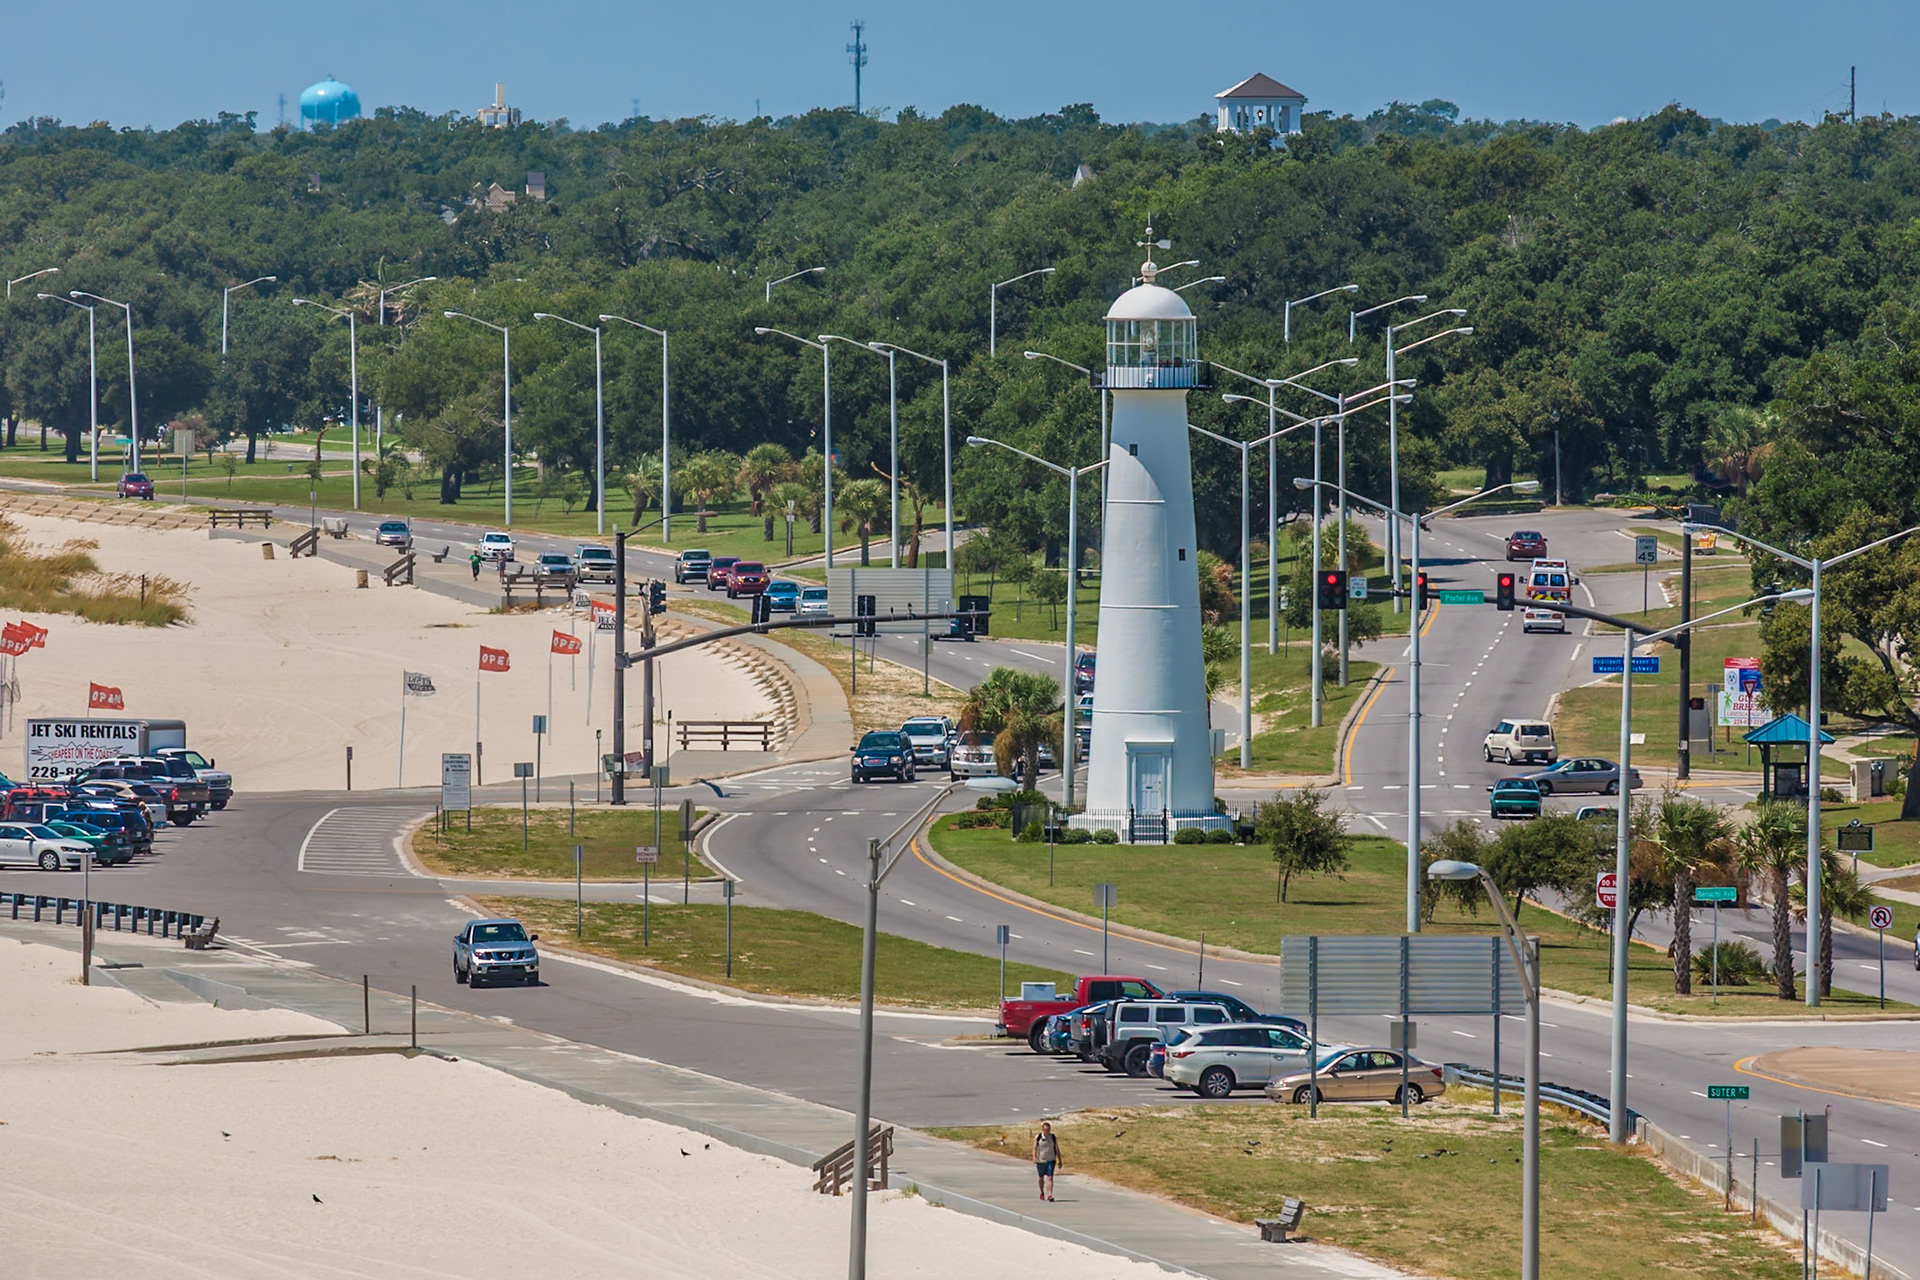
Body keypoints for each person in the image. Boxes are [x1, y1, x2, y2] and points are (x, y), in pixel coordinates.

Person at [1031, 1121, 1060, 1202]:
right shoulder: (1038, 1137)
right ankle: (1042, 1192)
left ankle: (1050, 1195)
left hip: (1051, 1159)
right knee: (1041, 1177)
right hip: (1041, 1160)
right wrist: (1034, 1157)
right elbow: (1034, 1148)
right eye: (1045, 1129)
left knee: (1050, 1177)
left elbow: (1057, 1149)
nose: (1047, 1131)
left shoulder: (1053, 1137)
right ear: (1042, 1129)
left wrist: (1060, 1160)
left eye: (1048, 1129)